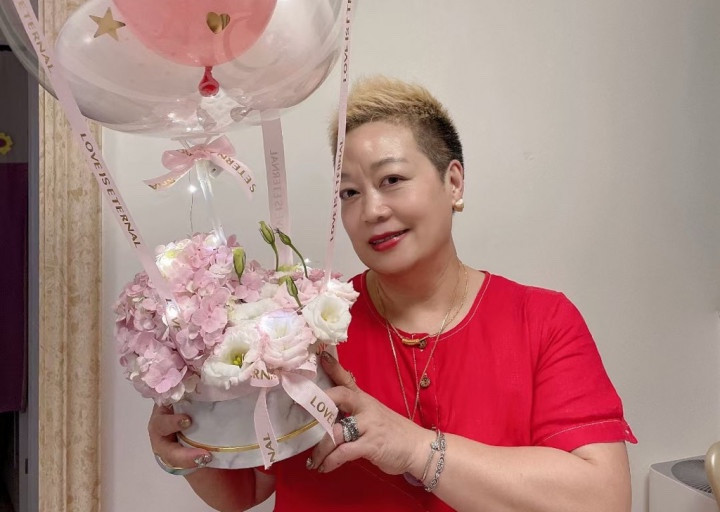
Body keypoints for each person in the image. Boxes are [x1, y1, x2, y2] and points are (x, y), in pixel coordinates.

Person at [149, 76, 637, 511]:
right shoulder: (301, 326)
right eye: (350, 192)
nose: (372, 210)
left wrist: (415, 449)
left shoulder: (541, 320)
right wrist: (181, 449)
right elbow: (246, 490)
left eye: (392, 180)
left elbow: (603, 498)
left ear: (453, 182)